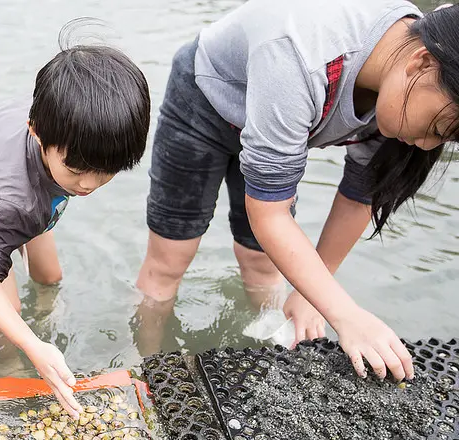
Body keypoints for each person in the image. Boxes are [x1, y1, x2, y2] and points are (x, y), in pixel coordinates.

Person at [136, 0, 459, 382]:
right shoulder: (302, 53)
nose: (426, 145)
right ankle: (149, 370)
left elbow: (359, 196)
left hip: (280, 123)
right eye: (436, 129)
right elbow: (269, 214)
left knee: (263, 265)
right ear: (421, 63)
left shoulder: (399, 86)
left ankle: (265, 357)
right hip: (205, 103)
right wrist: (346, 315)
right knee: (169, 262)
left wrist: (312, 295)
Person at [0, 44, 151, 418]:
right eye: (77, 170)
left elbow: (68, 177)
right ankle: (5, 363)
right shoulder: (14, 201)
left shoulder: (71, 133)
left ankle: (44, 313)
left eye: (106, 171)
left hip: (12, 168)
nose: (89, 185)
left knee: (50, 276)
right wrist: (32, 347)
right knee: (10, 308)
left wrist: (68, 175)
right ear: (36, 133)